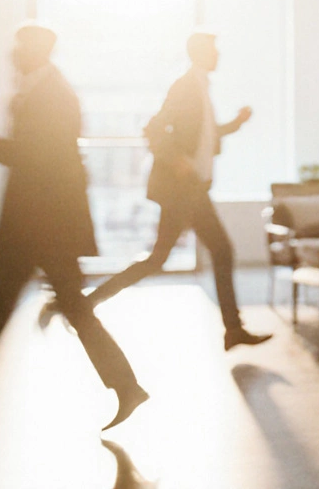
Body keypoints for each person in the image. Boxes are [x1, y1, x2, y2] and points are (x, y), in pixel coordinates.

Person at [0, 23, 148, 431]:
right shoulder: (45, 89)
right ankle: (126, 385)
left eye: (19, 47)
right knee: (69, 306)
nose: (13, 54)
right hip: (43, 224)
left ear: (36, 50)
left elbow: (32, 157)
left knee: (17, 304)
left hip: (41, 223)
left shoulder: (52, 95)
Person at [46, 31, 271, 351]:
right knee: (181, 256)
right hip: (183, 190)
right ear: (200, 53)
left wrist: (236, 122)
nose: (219, 55)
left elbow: (205, 134)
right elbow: (153, 128)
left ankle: (233, 329)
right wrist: (177, 160)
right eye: (214, 49)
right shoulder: (185, 87)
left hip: (193, 189)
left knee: (187, 255)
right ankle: (85, 304)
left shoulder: (200, 88)